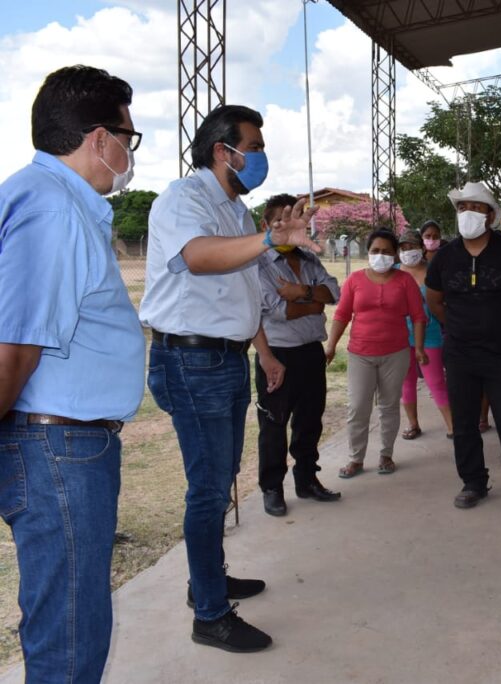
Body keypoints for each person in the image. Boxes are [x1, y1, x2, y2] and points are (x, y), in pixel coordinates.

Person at [140, 104, 319, 652]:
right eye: (255, 146)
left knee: (219, 485)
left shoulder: (236, 211)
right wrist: (269, 240)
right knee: (208, 489)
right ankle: (211, 616)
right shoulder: (183, 199)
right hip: (192, 362)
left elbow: (243, 294)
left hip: (226, 357)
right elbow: (198, 258)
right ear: (225, 151)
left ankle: (207, 580)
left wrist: (263, 352)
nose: (261, 157)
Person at [0, 65, 146, 683]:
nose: (129, 153)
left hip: (59, 439)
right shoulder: (54, 210)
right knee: (71, 630)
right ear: (98, 139)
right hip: (58, 445)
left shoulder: (43, 198)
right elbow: (14, 348)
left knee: (65, 616)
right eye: (128, 139)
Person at [425, 181, 501, 522]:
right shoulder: (446, 257)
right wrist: (460, 328)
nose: (468, 214)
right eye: (462, 208)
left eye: (476, 208)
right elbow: (434, 299)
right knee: (464, 424)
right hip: (459, 353)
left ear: (491, 216)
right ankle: (473, 483)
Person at [255, 193, 341, 517]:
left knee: (309, 422)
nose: (292, 227)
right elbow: (278, 311)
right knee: (274, 425)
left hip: (310, 354)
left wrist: (302, 293)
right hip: (276, 355)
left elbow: (333, 292)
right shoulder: (259, 264)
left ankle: (307, 480)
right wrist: (312, 301)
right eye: (281, 220)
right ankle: (272, 489)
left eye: (299, 218)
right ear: (266, 225)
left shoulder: (308, 259)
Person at [327, 229, 427, 478]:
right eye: (375, 251)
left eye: (386, 251)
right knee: (358, 407)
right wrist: (330, 346)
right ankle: (355, 459)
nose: (380, 256)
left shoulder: (405, 282)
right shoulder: (355, 280)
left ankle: (386, 455)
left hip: (396, 353)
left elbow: (418, 317)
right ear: (368, 252)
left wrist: (420, 349)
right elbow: (341, 315)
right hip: (360, 353)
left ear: (395, 255)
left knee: (388, 406)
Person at [398, 229, 453, 439]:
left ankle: (452, 425)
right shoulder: (394, 272)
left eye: (411, 247)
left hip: (430, 334)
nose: (407, 251)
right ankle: (413, 424)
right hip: (401, 337)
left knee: (436, 381)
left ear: (421, 248)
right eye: (403, 248)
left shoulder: (434, 271)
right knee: (407, 382)